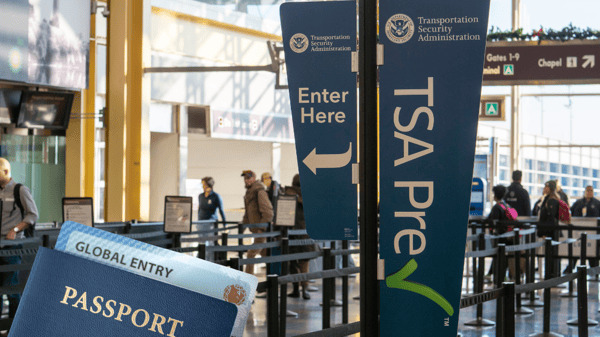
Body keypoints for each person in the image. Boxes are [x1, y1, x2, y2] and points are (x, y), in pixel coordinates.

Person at [0, 158, 38, 319]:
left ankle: (14, 326)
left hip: (12, 248)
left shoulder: (20, 190)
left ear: (6, 171)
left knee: (10, 288)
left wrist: (15, 229)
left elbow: (33, 214)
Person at [284, 174, 317, 300]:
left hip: (291, 234)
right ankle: (305, 289)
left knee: (293, 263)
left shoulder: (287, 194)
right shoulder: (309, 197)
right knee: (304, 264)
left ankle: (296, 289)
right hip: (305, 234)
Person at [241, 170, 274, 275]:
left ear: (253, 179)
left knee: (250, 255)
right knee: (265, 255)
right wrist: (241, 227)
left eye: (248, 178)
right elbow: (247, 214)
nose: (246, 180)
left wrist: (261, 229)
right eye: (245, 178)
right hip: (256, 230)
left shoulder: (259, 191)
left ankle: (247, 281)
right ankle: (275, 277)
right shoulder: (250, 193)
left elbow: (268, 212)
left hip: (261, 231)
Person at [537, 180, 562, 278]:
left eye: (546, 187)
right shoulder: (549, 198)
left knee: (551, 255)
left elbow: (551, 218)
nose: (544, 188)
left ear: (550, 188)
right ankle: (552, 275)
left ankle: (552, 276)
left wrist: (545, 233)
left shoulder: (551, 200)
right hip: (551, 232)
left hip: (551, 233)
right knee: (551, 255)